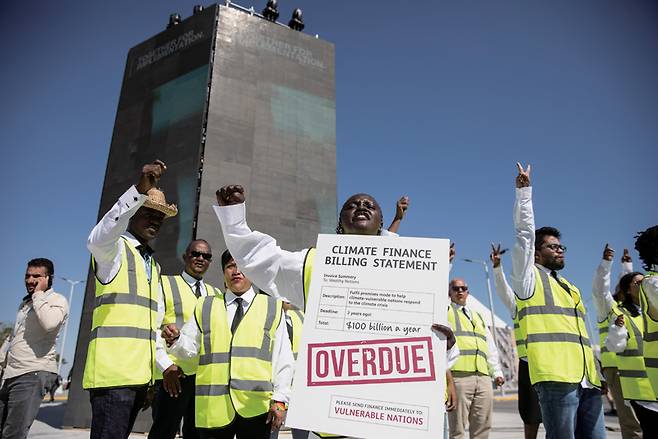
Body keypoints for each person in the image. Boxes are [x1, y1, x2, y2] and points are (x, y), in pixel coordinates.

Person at [213, 185, 457, 438]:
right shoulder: (312, 264)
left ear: (381, 224)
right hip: (335, 420)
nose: (361, 206)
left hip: (395, 421)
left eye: (369, 205)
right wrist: (234, 219)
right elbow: (260, 259)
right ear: (340, 222)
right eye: (352, 205)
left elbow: (434, 344)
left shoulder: (414, 273)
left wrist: (446, 345)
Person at [83, 160, 178, 439]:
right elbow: (97, 239)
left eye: (160, 217)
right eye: (148, 213)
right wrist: (139, 189)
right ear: (133, 212)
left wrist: (157, 369)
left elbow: (148, 328)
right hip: (113, 380)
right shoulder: (113, 252)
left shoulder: (153, 265)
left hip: (138, 381)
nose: (155, 221)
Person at [510, 162, 604, 439]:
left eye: (562, 246)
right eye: (553, 246)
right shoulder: (528, 281)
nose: (560, 250)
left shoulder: (570, 287)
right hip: (556, 379)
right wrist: (524, 195)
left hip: (588, 380)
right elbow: (524, 237)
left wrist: (598, 374)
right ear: (536, 255)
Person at [162, 250, 293, 439]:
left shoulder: (272, 307)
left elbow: (283, 359)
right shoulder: (205, 305)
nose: (236, 271)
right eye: (231, 266)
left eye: (242, 266)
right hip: (214, 409)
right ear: (224, 272)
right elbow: (189, 349)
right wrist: (175, 340)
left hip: (255, 408)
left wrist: (280, 400)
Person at [150, 239, 222, 439]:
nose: (200, 258)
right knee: (164, 432)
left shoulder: (215, 294)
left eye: (206, 256)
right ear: (185, 256)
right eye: (195, 254)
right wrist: (165, 366)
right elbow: (153, 328)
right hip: (173, 376)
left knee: (197, 434)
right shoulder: (164, 283)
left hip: (202, 378)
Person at [0, 258, 69, 439]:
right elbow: (15, 336)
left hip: (32, 373)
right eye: (27, 276)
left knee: (13, 433)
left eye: (36, 276)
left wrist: (38, 295)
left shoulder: (57, 300)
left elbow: (49, 323)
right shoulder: (25, 304)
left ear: (48, 278)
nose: (30, 280)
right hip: (10, 374)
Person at [489, 243, 541, 439]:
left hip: (555, 362)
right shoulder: (519, 303)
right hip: (530, 363)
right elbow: (503, 290)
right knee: (531, 415)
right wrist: (496, 268)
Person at [592, 245, 642, 439]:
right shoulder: (610, 309)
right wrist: (607, 263)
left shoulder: (642, 310)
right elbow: (600, 289)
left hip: (644, 368)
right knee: (631, 421)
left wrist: (627, 265)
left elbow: (631, 284)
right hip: (617, 367)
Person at [446, 277, 504, 439]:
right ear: (449, 293)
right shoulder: (445, 312)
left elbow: (490, 346)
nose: (460, 291)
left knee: (482, 427)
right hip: (459, 378)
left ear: (468, 292)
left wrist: (497, 372)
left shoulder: (478, 316)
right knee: (457, 429)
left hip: (483, 378)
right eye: (456, 288)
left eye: (463, 288)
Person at [605, 270, 658, 434]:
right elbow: (615, 346)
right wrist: (617, 329)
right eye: (638, 283)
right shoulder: (622, 313)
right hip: (641, 390)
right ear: (628, 290)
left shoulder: (653, 308)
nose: (644, 285)